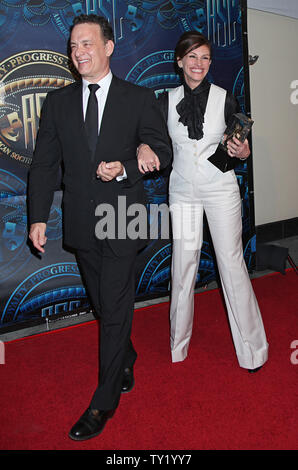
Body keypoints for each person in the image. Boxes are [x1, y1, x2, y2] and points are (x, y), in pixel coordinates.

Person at [28, 14, 171, 441]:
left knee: (113, 304)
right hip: (80, 221)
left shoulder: (139, 97)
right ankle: (126, 354)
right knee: (105, 304)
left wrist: (128, 167)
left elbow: (162, 151)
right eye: (73, 46)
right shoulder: (57, 104)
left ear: (108, 47)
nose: (79, 53)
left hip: (124, 218)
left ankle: (103, 401)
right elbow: (43, 164)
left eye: (87, 44)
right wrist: (37, 216)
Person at [138, 31, 268, 372]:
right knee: (183, 267)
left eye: (205, 57)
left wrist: (244, 151)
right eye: (192, 57)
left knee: (231, 264)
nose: (199, 64)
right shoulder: (164, 101)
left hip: (220, 189)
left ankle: (253, 350)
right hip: (182, 191)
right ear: (180, 61)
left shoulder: (226, 99)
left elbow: (237, 148)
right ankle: (178, 347)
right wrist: (143, 147)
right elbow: (154, 143)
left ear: (211, 63)